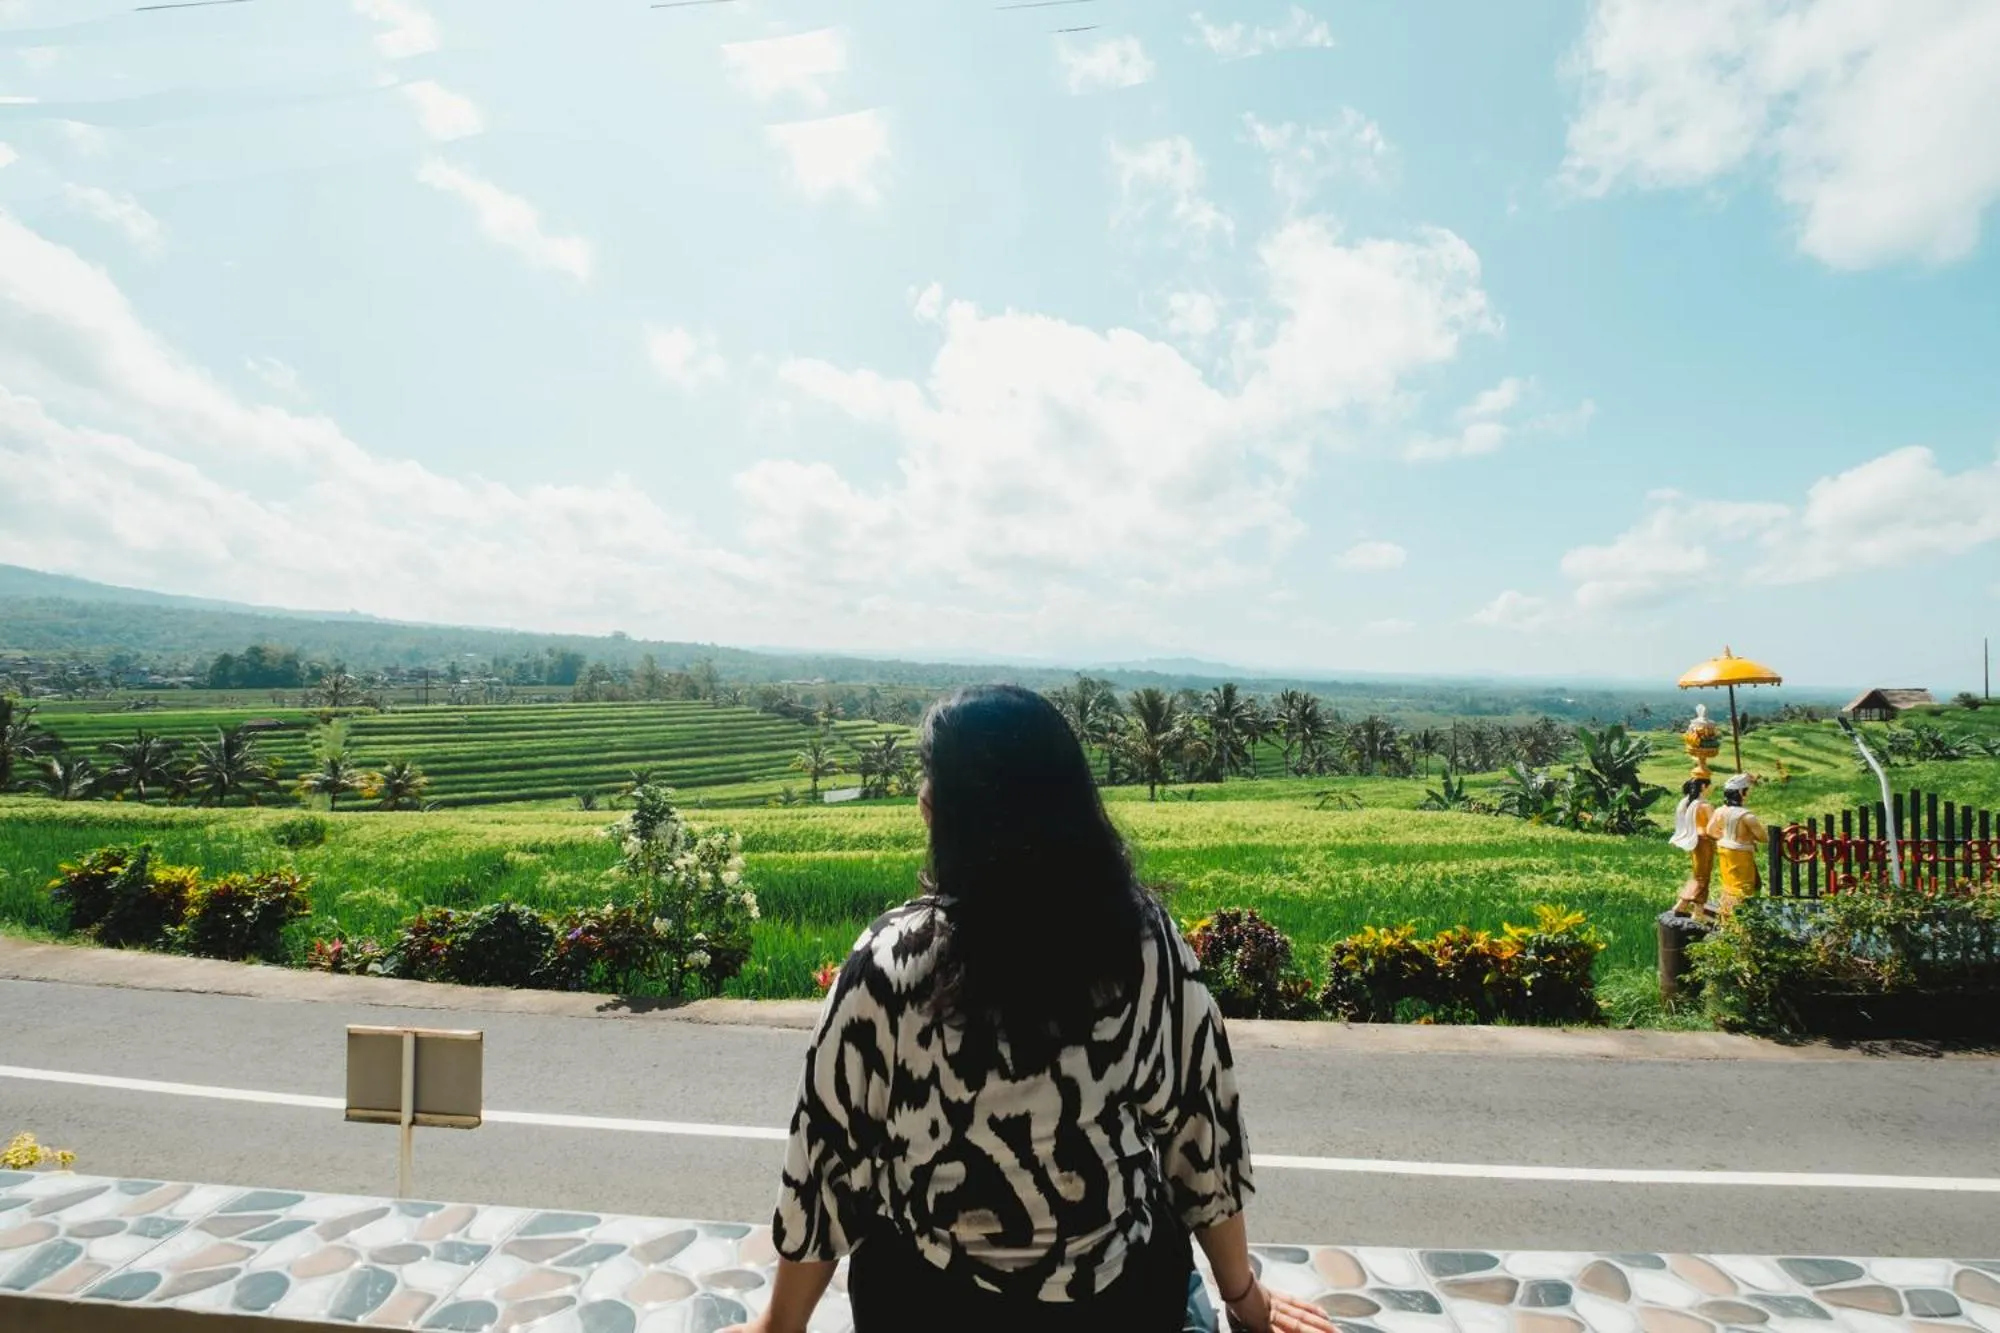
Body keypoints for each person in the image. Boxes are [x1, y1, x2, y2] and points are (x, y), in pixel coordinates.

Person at [724, 685, 1335, 1333]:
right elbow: (1200, 1133)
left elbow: (827, 1166)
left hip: (931, 1307)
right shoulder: (1141, 939)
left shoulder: (891, 964)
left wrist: (775, 1328)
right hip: (1118, 1307)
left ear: (941, 812)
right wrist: (1247, 1299)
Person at [1705, 773, 1765, 909]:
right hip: (1741, 854)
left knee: (1730, 885)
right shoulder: (1746, 816)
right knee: (1742, 887)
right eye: (1747, 790)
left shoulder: (1719, 811)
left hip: (1724, 850)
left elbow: (1710, 830)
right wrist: (1748, 835)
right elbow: (1763, 838)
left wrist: (1724, 837)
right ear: (1741, 792)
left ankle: (1728, 915)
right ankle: (1740, 921)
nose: (1748, 793)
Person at [1668, 776, 1716, 916]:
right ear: (1703, 787)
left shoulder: (1689, 804)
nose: (1711, 788)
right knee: (1702, 877)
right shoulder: (1705, 806)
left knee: (1700, 875)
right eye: (1709, 786)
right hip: (1705, 841)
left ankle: (1696, 910)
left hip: (1696, 841)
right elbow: (1713, 828)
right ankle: (1685, 906)